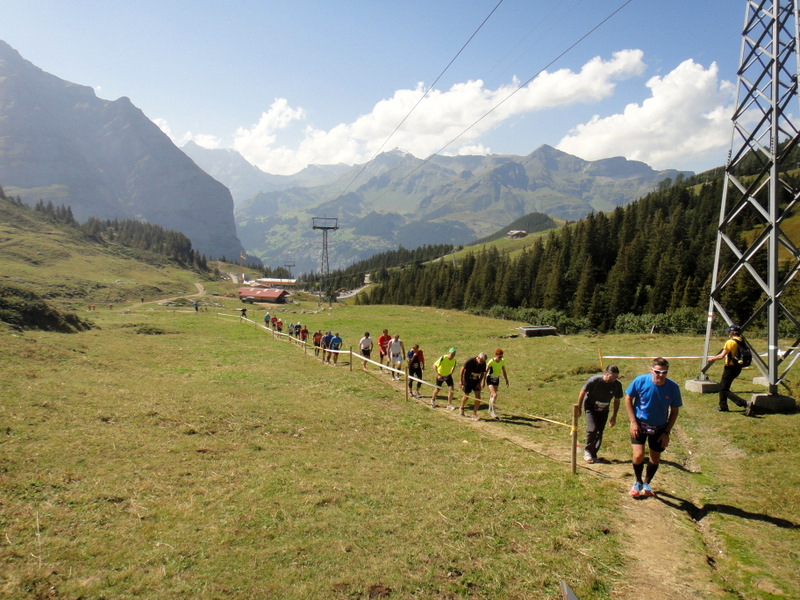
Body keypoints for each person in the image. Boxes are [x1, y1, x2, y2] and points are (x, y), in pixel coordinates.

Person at [624, 357, 682, 498]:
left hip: (659, 427)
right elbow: (628, 398)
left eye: (664, 372)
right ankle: (637, 481)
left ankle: (647, 483)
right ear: (652, 370)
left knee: (655, 458)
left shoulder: (673, 388)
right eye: (658, 372)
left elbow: (674, 411)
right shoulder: (640, 381)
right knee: (638, 455)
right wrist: (633, 421)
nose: (661, 375)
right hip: (640, 424)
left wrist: (666, 432)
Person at [578, 365, 623, 464]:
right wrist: (579, 407)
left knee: (599, 432)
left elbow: (617, 400)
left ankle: (593, 454)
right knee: (592, 429)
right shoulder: (594, 380)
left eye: (616, 377)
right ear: (605, 373)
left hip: (604, 409)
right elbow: (582, 392)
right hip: (591, 407)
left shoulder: (617, 385)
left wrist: (614, 416)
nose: (613, 379)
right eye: (612, 376)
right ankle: (588, 451)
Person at [707, 325, 748, 411]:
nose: (729, 334)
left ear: (732, 333)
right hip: (738, 367)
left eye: (729, 332)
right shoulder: (741, 340)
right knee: (723, 387)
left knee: (724, 389)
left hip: (730, 368)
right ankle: (723, 406)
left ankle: (744, 403)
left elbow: (722, 356)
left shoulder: (730, 342)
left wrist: (712, 358)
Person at [459, 352, 488, 419]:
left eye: (483, 361)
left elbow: (483, 373)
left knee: (478, 398)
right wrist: (461, 381)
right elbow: (462, 370)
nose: (481, 362)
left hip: (476, 382)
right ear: (478, 357)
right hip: (467, 381)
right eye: (480, 360)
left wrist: (479, 382)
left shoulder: (483, 363)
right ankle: (462, 408)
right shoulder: (470, 361)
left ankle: (474, 413)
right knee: (466, 397)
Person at [485, 348, 509, 419]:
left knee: (492, 395)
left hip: (496, 378)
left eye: (501, 357)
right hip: (490, 378)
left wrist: (506, 380)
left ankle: (490, 409)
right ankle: (493, 411)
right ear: (496, 355)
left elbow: (504, 371)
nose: (500, 358)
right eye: (499, 357)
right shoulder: (491, 362)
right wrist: (483, 381)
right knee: (495, 394)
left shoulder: (502, 361)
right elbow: (485, 372)